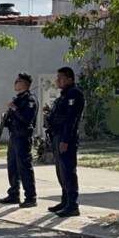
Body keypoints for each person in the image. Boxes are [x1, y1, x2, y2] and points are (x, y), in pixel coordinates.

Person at [44, 66, 85, 218]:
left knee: (68, 170)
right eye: (58, 77)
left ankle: (73, 205)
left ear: (69, 79)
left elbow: (71, 119)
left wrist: (65, 140)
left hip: (66, 137)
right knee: (60, 171)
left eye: (61, 78)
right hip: (57, 135)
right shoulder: (64, 95)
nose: (58, 80)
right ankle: (65, 200)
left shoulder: (74, 94)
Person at [0, 73, 39, 208]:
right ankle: (14, 193)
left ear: (24, 84)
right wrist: (5, 120)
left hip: (23, 136)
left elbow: (27, 119)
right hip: (14, 135)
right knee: (12, 165)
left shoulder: (30, 100)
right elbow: (13, 120)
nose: (15, 83)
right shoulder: (18, 99)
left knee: (24, 166)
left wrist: (15, 109)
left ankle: (31, 197)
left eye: (18, 81)